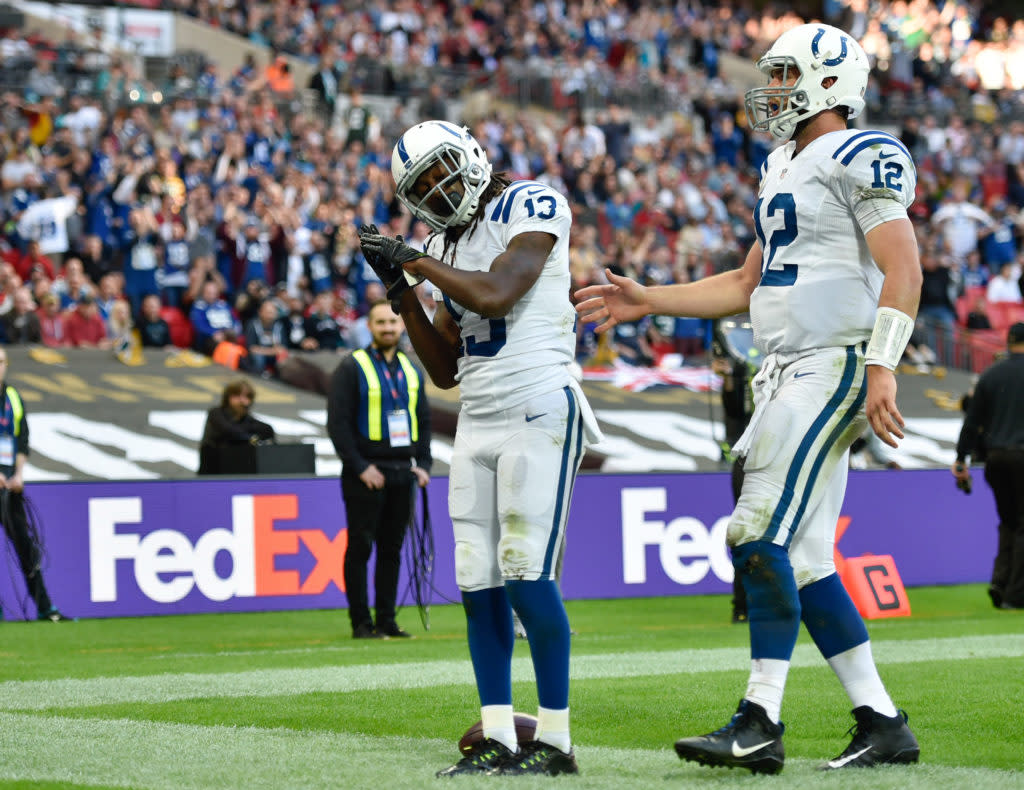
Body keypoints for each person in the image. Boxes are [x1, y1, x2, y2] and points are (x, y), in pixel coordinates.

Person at [575, 24, 921, 774]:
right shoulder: (780, 164)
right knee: (803, 561)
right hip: (789, 366)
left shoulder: (863, 152)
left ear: (833, 80)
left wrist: (883, 366)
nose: (775, 89)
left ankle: (759, 719)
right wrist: (649, 299)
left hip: (833, 364)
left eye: (789, 74)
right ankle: (883, 723)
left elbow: (904, 265)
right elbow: (743, 282)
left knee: (752, 531)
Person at [358, 120, 601, 777]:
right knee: (477, 580)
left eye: (442, 171)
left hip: (538, 405)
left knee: (525, 570)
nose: (438, 189)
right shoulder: (441, 241)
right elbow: (442, 367)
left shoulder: (532, 201)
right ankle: (500, 734)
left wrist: (417, 262)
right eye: (423, 185)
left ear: (468, 153)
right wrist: (402, 292)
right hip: (481, 418)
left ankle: (555, 741)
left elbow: (499, 290)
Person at [326, 300, 431, 641]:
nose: (388, 328)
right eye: (380, 322)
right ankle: (361, 623)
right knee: (360, 548)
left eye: (393, 322)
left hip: (403, 472)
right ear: (369, 327)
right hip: (366, 473)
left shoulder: (411, 368)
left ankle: (387, 619)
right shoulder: (351, 366)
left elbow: (424, 420)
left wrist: (424, 465)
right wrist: (360, 467)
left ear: (401, 326)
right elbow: (338, 425)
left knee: (392, 549)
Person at [952, 321, 1024, 611]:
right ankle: (1016, 595)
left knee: (1008, 522)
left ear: (1008, 341)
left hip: (995, 459)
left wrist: (961, 459)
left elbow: (972, 422)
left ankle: (1000, 583)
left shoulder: (990, 375)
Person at [0, 347, 71, 622]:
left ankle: (45, 608)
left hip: (10, 489)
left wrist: (18, 475)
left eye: (2, 361)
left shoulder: (13, 398)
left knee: (27, 548)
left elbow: (22, 441)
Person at [197, 379, 275, 474]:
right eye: (237, 395)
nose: (243, 401)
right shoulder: (216, 413)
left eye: (247, 397)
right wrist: (252, 438)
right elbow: (229, 431)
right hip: (213, 470)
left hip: (239, 471)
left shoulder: (249, 421)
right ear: (228, 397)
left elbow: (267, 430)